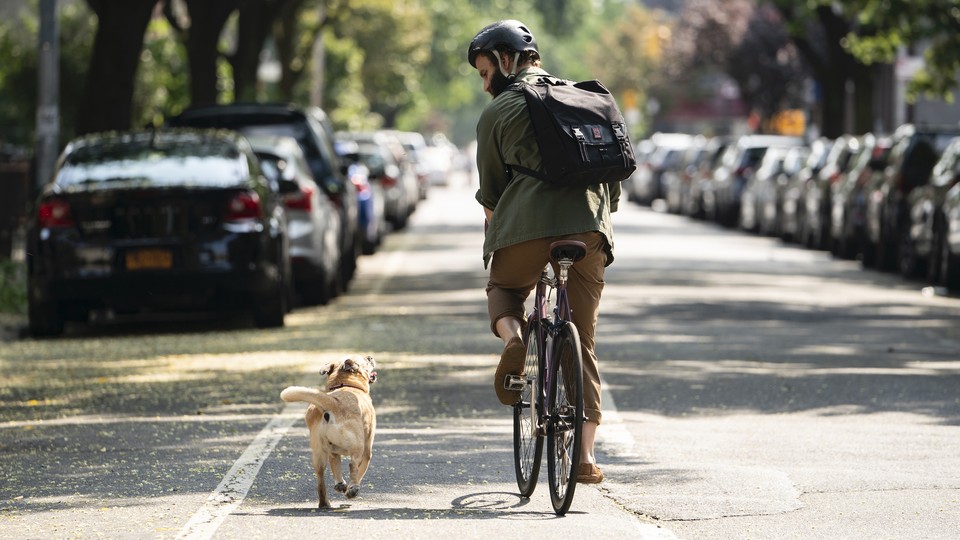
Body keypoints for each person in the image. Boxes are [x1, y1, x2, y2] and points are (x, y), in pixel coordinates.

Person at [467, 19, 619, 484]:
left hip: (528, 231)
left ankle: (515, 337)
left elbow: (491, 194)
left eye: (484, 70)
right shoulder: (585, 99)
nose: (484, 81)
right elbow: (613, 179)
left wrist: (497, 232)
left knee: (506, 289)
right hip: (590, 230)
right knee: (584, 341)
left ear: (506, 60)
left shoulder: (498, 112)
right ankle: (586, 457)